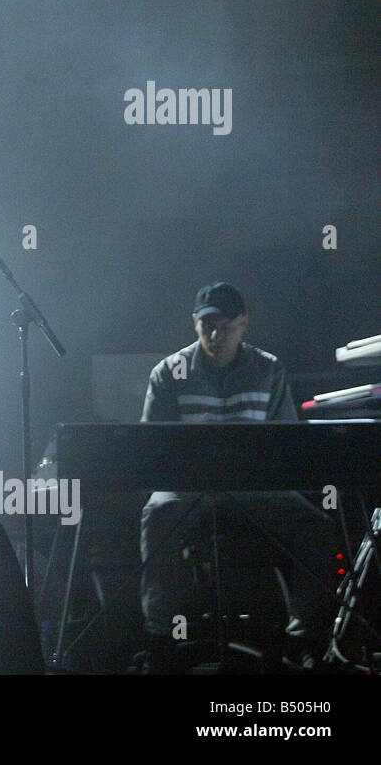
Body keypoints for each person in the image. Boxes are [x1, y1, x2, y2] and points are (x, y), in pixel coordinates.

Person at [138, 282, 336, 672]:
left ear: (244, 323)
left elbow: (287, 445)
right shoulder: (168, 372)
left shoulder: (270, 368)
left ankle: (303, 638)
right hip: (189, 490)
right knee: (157, 514)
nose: (216, 335)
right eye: (207, 325)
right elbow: (152, 451)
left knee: (318, 527)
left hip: (257, 489)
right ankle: (161, 636)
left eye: (225, 326)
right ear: (194, 324)